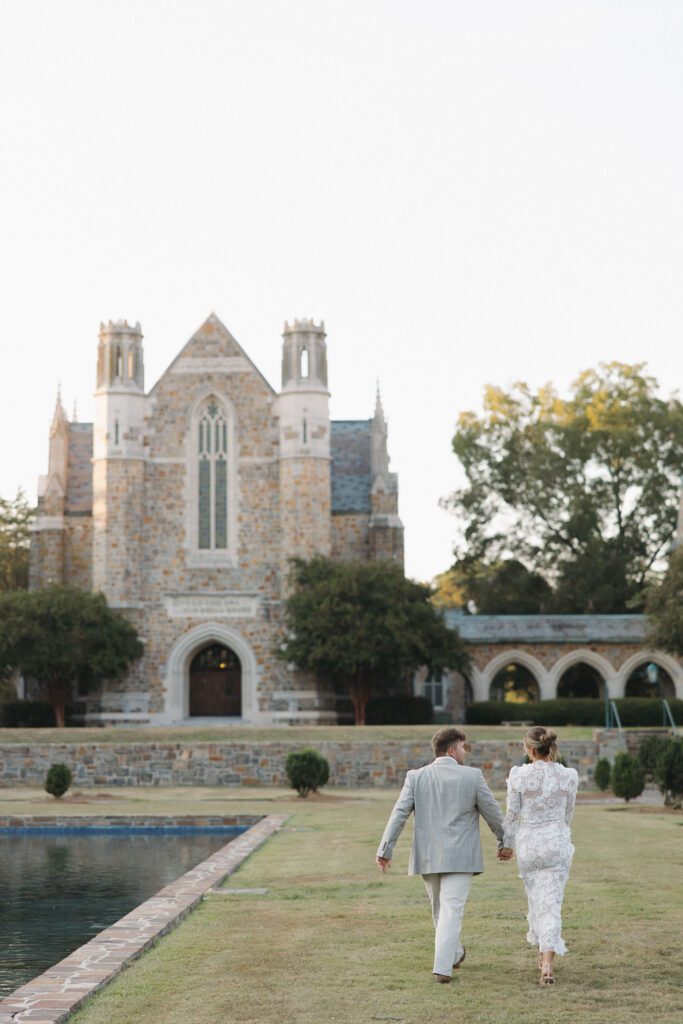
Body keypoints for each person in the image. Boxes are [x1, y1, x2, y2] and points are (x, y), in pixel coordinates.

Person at [375, 726, 513, 983]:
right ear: (451, 750)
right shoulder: (472, 777)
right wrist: (505, 842)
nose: (464, 751)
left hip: (428, 856)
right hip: (461, 857)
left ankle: (455, 953)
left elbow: (398, 814)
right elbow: (493, 813)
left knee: (441, 911)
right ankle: (442, 967)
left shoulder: (416, 777)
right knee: (448, 911)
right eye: (462, 747)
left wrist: (385, 849)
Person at [502, 726, 578, 986]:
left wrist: (506, 844)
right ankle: (547, 962)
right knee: (552, 903)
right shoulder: (568, 776)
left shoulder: (519, 776)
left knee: (537, 901)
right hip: (556, 843)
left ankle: (542, 955)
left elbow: (512, 815)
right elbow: (568, 814)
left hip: (530, 846)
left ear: (531, 750)